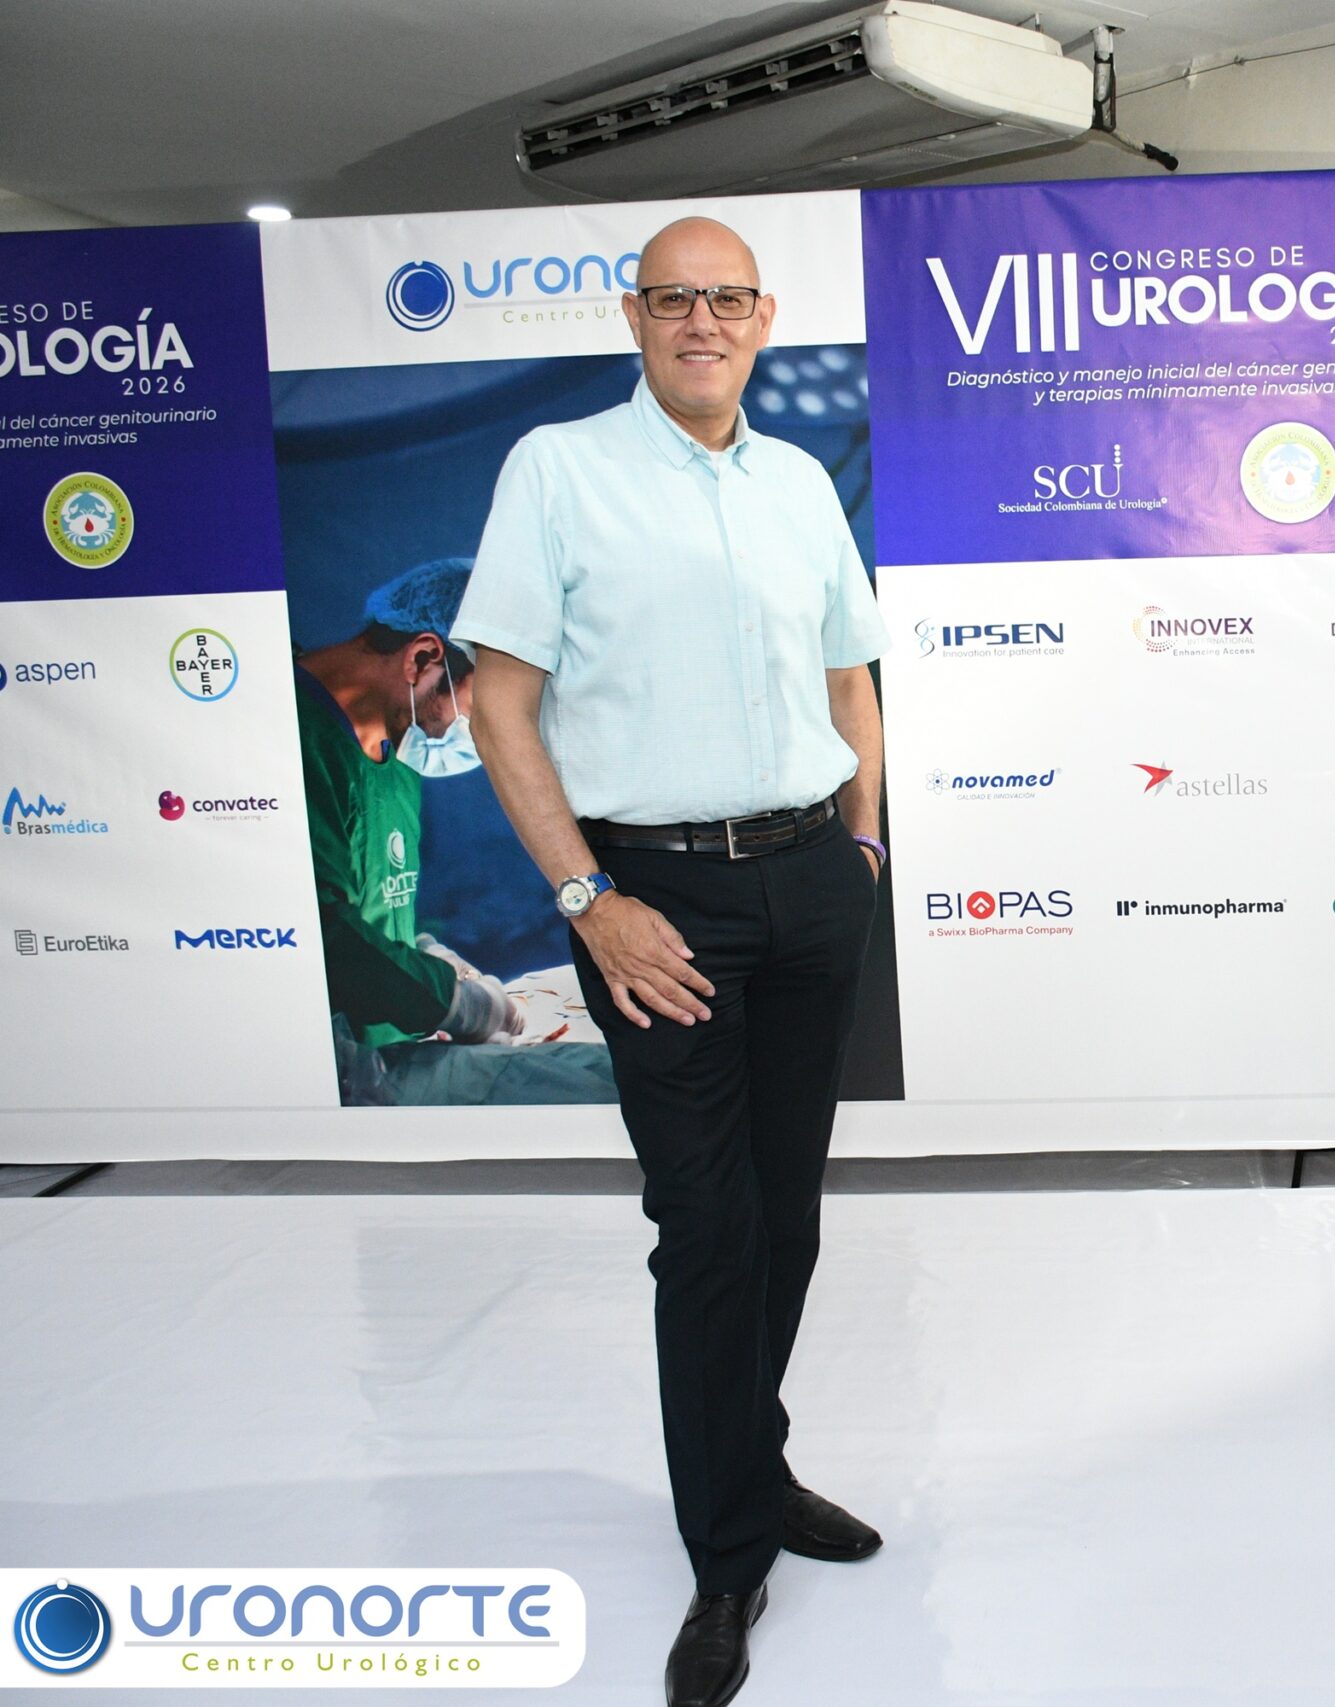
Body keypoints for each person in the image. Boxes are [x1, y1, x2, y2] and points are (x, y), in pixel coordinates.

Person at [453, 216, 890, 1707]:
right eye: (673, 298)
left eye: (727, 298)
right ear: (634, 317)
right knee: (708, 1229)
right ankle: (727, 1556)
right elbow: (500, 704)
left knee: (786, 1218)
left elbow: (849, 674)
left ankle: (750, 1469)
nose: (702, 320)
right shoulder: (558, 470)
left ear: (763, 318)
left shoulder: (797, 484)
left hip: (811, 881)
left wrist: (862, 847)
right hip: (655, 902)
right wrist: (590, 899)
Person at [295, 559, 617, 1106]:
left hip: (397, 1041)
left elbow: (373, 912)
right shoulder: (293, 739)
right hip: (332, 1074)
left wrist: (428, 957)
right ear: (424, 658)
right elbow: (319, 934)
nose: (490, 737)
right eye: (485, 713)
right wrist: (453, 1002)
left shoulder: (395, 757)